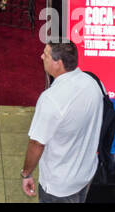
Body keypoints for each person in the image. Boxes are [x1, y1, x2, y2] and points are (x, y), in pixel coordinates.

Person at [21, 41, 103, 202]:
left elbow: (37, 143)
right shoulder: (92, 83)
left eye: (46, 54)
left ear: (58, 63)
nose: (41, 56)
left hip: (59, 185)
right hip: (85, 173)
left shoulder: (51, 99)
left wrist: (26, 173)